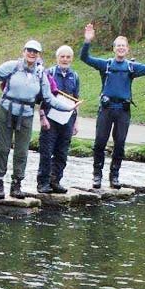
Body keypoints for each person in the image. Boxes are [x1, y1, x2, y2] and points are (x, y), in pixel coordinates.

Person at [0, 40, 80, 200]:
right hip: (6, 110)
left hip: (26, 114)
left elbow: (49, 98)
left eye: (35, 52)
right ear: (24, 51)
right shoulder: (12, 66)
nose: (32, 54)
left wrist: (68, 108)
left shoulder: (41, 74)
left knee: (22, 151)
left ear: (38, 54)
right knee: (2, 148)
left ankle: (17, 183)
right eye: (29, 50)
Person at [81, 23, 145, 190]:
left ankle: (114, 176)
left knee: (120, 144)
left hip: (123, 110)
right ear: (114, 49)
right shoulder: (105, 64)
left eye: (123, 46)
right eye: (118, 46)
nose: (121, 48)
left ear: (128, 49)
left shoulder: (131, 67)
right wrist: (87, 41)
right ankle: (97, 176)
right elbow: (85, 58)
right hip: (106, 109)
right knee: (100, 142)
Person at [36, 45, 80, 194]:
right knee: (46, 152)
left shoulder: (75, 76)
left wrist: (76, 122)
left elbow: (76, 100)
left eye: (68, 57)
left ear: (71, 59)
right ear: (57, 58)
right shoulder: (49, 73)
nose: (65, 59)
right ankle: (43, 183)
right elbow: (41, 97)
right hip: (50, 119)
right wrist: (42, 117)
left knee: (62, 152)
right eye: (62, 56)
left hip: (68, 120)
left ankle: (55, 181)